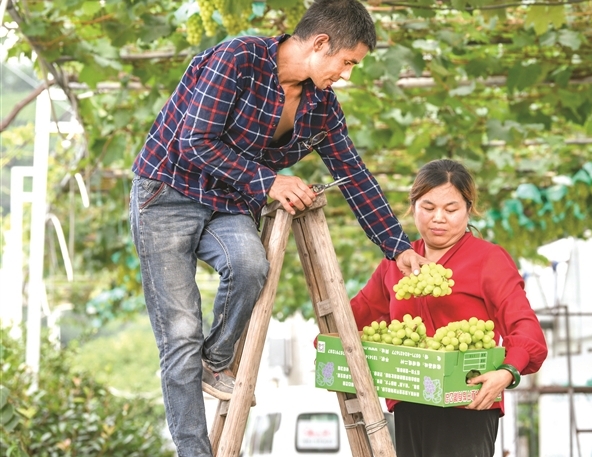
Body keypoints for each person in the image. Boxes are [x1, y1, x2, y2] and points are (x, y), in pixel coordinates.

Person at [128, 0, 427, 455]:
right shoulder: (240, 57)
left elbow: (355, 175)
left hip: (226, 202)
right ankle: (194, 451)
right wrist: (269, 180)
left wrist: (397, 245)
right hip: (167, 192)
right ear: (321, 43)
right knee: (181, 330)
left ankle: (214, 361)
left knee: (250, 265)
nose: (347, 74)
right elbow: (194, 141)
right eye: (348, 62)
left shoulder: (321, 107)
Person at [349, 159, 548, 457]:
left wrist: (507, 372)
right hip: (409, 402)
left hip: (469, 402)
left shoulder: (489, 259)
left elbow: (525, 327)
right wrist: (332, 350)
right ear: (413, 206)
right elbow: (352, 317)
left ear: (469, 210)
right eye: (428, 208)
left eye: (451, 209)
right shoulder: (395, 264)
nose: (438, 218)